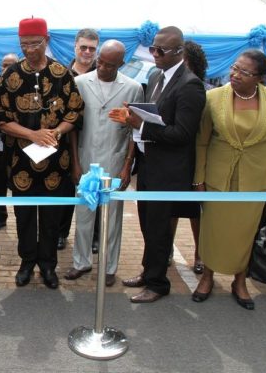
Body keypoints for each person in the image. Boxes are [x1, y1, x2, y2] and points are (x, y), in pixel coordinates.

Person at [192, 50, 266, 310]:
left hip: (256, 180)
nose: (234, 74)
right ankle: (207, 277)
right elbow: (202, 141)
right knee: (213, 230)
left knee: (245, 233)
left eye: (244, 72)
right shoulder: (213, 98)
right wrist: (199, 178)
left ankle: (239, 280)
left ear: (259, 77)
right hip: (218, 178)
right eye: (234, 68)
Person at [116, 26, 205, 303]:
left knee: (159, 228)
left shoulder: (190, 85)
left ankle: (157, 284)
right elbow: (156, 116)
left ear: (179, 52)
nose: (154, 53)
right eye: (153, 48)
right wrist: (138, 113)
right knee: (147, 224)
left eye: (160, 50)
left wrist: (140, 123)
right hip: (149, 164)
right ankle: (148, 271)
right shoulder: (155, 75)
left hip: (170, 170)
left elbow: (182, 134)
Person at [0, 17, 84, 289]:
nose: (30, 50)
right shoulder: (11, 76)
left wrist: (56, 132)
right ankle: (26, 262)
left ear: (47, 41)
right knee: (24, 216)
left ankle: (48, 265)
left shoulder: (62, 73)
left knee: (50, 216)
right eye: (24, 45)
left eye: (35, 44)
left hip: (56, 162)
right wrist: (32, 134)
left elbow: (75, 112)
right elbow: (0, 118)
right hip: (21, 162)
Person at [65, 40, 143, 286]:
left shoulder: (132, 88)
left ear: (121, 64)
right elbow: (73, 127)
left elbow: (135, 131)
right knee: (84, 213)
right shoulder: (79, 83)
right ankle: (81, 262)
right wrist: (75, 162)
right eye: (101, 62)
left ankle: (109, 267)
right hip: (85, 157)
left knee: (112, 218)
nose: (103, 68)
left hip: (115, 158)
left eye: (110, 65)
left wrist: (127, 165)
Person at [170, 40, 211, 274]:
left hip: (194, 156)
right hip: (175, 156)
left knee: (195, 211)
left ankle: (199, 254)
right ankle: (167, 249)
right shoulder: (169, 83)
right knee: (171, 208)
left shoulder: (197, 87)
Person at [58, 28, 100, 252]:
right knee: (65, 191)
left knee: (94, 192)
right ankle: (61, 233)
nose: (87, 52)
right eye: (83, 47)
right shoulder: (62, 75)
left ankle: (95, 236)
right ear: (75, 46)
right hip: (65, 143)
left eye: (92, 48)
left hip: (94, 141)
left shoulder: (103, 74)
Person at [0, 53, 19, 233]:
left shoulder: (22, 88)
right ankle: (0, 216)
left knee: (18, 180)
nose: (7, 68)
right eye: (4, 64)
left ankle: (21, 216)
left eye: (11, 65)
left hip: (18, 143)